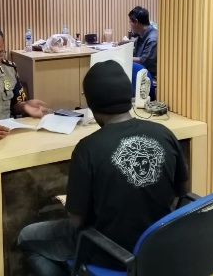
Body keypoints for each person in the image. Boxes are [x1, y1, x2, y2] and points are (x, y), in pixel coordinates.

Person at [18, 60, 189, 275]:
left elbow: (77, 221)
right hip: (158, 247)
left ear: (92, 105)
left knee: (26, 236)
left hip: (110, 253)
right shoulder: (164, 134)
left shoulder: (87, 149)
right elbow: (182, 191)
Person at [0, 25, 51, 140]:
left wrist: (25, 106)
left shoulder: (10, 70)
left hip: (8, 134)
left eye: (0, 53)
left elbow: (15, 105)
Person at [128, 6, 158, 79]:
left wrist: (124, 57)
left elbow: (143, 61)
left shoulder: (152, 39)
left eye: (130, 22)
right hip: (140, 72)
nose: (130, 25)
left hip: (149, 76)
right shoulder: (142, 33)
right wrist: (121, 43)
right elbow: (134, 41)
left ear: (136, 22)